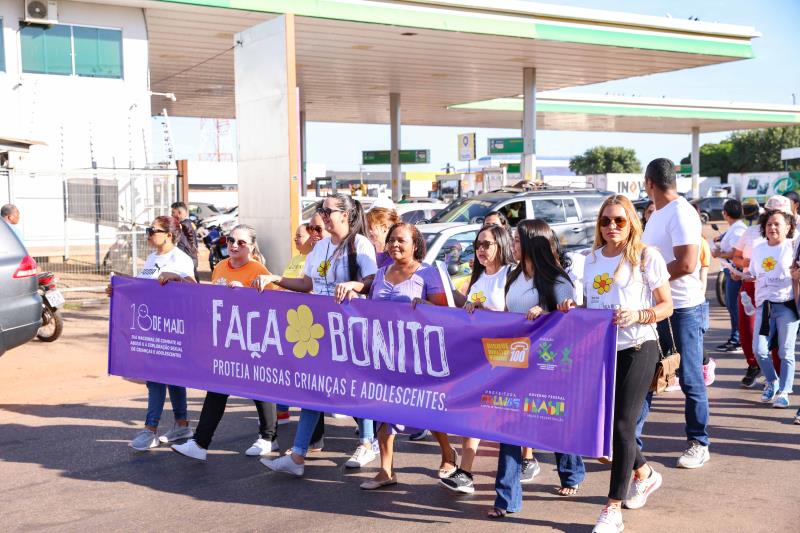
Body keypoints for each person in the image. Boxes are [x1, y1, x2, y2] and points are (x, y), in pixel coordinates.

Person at [559, 195, 673, 533]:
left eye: (619, 220)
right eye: (606, 220)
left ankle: (612, 509)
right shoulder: (589, 260)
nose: (612, 226)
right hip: (601, 349)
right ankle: (645, 474)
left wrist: (639, 314)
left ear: (631, 223)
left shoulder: (646, 257)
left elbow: (666, 305)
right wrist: (573, 307)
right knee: (608, 425)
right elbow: (589, 305)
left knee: (623, 425)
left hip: (639, 345)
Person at [256, 193, 378, 477]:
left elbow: (372, 280)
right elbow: (307, 283)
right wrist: (276, 279)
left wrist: (355, 285)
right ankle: (298, 455)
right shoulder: (320, 246)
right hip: (320, 329)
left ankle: (367, 442)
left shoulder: (360, 244)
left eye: (327, 210)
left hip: (349, 330)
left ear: (345, 215)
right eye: (321, 210)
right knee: (315, 390)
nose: (322, 215)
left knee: (356, 386)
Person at [488, 219, 583, 519]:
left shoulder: (556, 278)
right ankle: (506, 498)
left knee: (553, 421)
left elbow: (570, 314)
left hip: (547, 364)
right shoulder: (513, 275)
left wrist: (547, 311)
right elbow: (508, 313)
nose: (512, 245)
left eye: (517, 240)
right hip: (515, 362)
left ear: (532, 242)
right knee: (508, 426)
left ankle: (571, 473)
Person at [171, 225, 282, 461]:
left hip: (252, 341)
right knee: (217, 389)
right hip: (226, 341)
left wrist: (246, 294)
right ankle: (200, 443)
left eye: (241, 242)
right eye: (231, 240)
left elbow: (271, 307)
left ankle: (268, 437)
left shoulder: (258, 270)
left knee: (259, 387)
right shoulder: (220, 266)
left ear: (251, 246)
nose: (234, 245)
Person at [358, 222, 450, 489]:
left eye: (402, 240)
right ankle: (386, 471)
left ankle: (448, 454)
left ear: (415, 244)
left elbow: (446, 313)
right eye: (392, 240)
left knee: (425, 408)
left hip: (417, 355)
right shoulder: (380, 274)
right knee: (383, 409)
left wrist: (427, 305)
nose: (395, 245)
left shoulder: (428, 273)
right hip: (384, 354)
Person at [635, 158, 710, 469]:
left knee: (690, 379)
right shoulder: (658, 215)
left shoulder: (680, 212)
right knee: (646, 377)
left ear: (649, 183)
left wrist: (651, 280)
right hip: (658, 309)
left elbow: (688, 263)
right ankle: (629, 445)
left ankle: (699, 443)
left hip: (683, 309)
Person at [109, 216, 196, 451]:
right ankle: (182, 425)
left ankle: (150, 430)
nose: (148, 234)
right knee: (171, 377)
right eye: (148, 229)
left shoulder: (180, 258)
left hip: (172, 328)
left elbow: (193, 288)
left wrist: (177, 278)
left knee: (155, 376)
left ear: (169, 235)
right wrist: (119, 290)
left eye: (153, 230)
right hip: (151, 326)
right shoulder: (151, 258)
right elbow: (143, 288)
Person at [440, 224, 515, 494]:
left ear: (501, 245)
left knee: (508, 421)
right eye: (477, 245)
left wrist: (486, 312)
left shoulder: (511, 274)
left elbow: (516, 314)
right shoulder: (479, 277)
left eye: (487, 244)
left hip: (507, 357)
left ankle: (529, 468)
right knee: (472, 414)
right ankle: (466, 472)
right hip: (480, 357)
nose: (481, 250)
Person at [732, 198, 784, 387]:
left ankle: (777, 375)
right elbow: (736, 257)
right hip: (750, 286)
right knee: (748, 329)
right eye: (770, 213)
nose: (773, 219)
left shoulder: (792, 235)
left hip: (778, 289)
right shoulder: (751, 232)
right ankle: (754, 365)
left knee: (778, 333)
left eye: (780, 215)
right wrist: (744, 264)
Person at [752, 209, 799, 409]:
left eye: (777, 224)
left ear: (788, 228)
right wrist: (741, 275)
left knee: (786, 351)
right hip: (765, 306)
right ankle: (772, 381)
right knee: (759, 350)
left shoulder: (793, 247)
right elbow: (754, 273)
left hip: (787, 305)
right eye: (769, 224)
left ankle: (785, 392)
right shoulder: (758, 249)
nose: (772, 227)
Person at [712, 199, 746, 352]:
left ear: (725, 213)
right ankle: (736, 338)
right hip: (733, 271)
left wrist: (719, 253)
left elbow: (735, 252)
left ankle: (737, 340)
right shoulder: (736, 227)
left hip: (735, 272)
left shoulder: (738, 230)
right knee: (733, 306)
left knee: (734, 306)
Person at [171, 201, 199, 279]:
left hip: (186, 260)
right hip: (192, 257)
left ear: (179, 213)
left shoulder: (183, 226)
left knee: (189, 283)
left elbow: (181, 245)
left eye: (173, 212)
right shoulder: (190, 223)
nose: (171, 215)